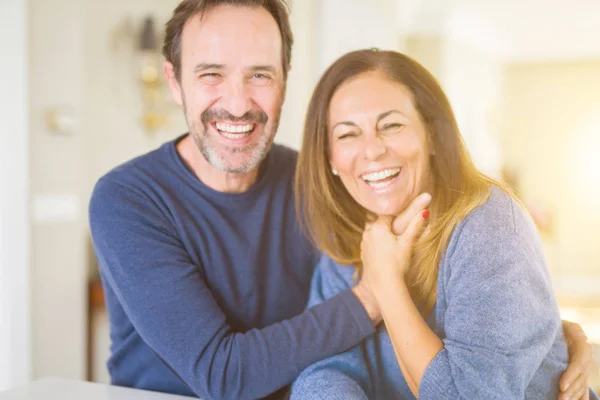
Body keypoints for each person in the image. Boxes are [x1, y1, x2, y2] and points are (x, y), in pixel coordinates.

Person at [88, 1, 593, 399]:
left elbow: (340, 352)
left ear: (285, 79)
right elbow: (228, 374)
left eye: (259, 74)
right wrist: (377, 289)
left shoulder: (321, 188)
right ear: (174, 82)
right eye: (210, 74)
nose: (238, 102)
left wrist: (545, 334)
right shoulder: (127, 200)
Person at [291, 49, 598, 400]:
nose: (372, 150)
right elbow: (324, 368)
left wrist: (386, 280)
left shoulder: (490, 227)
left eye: (391, 125)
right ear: (330, 157)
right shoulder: (345, 240)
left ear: (432, 134)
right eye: (347, 134)